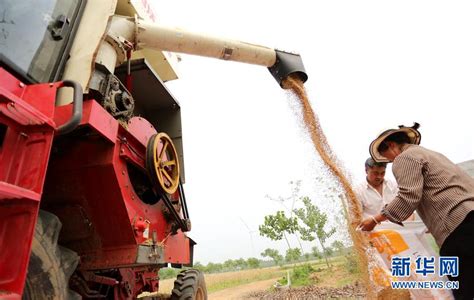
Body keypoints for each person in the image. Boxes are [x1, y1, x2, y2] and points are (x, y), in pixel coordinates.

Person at [359, 123, 474, 300]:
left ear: (390, 145)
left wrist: (375, 220)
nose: (390, 161)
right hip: (468, 217)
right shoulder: (433, 154)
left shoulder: (404, 158)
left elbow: (408, 197)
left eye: (387, 158)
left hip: (457, 228)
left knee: (462, 287)